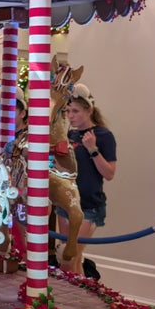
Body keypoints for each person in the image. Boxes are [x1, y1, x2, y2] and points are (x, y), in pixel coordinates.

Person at [56, 83, 117, 266]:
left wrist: (93, 149)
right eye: (68, 111)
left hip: (88, 206)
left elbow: (109, 174)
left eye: (75, 111)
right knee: (68, 260)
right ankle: (76, 294)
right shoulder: (70, 135)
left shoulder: (104, 136)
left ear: (88, 110)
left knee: (70, 258)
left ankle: (72, 295)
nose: (71, 116)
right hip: (67, 201)